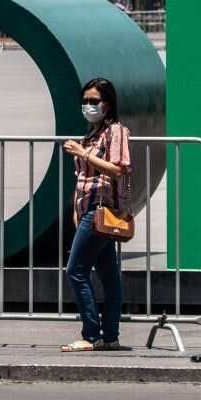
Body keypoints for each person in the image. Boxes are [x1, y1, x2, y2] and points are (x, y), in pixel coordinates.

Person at [61, 78, 131, 352]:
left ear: (108, 103)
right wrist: (75, 207)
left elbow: (119, 169)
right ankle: (110, 337)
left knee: (75, 271)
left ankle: (91, 335)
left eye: (94, 101)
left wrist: (83, 154)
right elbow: (81, 178)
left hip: (101, 210)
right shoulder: (90, 135)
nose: (88, 106)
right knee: (108, 276)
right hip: (87, 211)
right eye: (85, 101)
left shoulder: (116, 131)